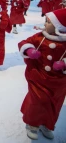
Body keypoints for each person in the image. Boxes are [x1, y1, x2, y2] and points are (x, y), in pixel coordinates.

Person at [18, 8, 66, 140]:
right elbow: (24, 43)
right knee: (37, 101)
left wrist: (64, 64)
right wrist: (29, 50)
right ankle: (32, 124)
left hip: (58, 83)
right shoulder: (40, 37)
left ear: (60, 26)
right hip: (37, 77)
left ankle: (47, 124)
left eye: (48, 22)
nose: (45, 24)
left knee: (53, 105)